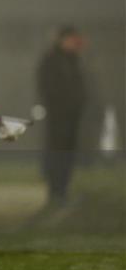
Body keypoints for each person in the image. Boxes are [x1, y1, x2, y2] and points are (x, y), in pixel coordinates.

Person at [37, 26, 86, 206]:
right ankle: (55, 190)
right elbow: (47, 88)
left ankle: (63, 189)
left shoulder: (73, 60)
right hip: (58, 117)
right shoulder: (51, 61)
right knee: (56, 152)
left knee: (68, 153)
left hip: (72, 117)